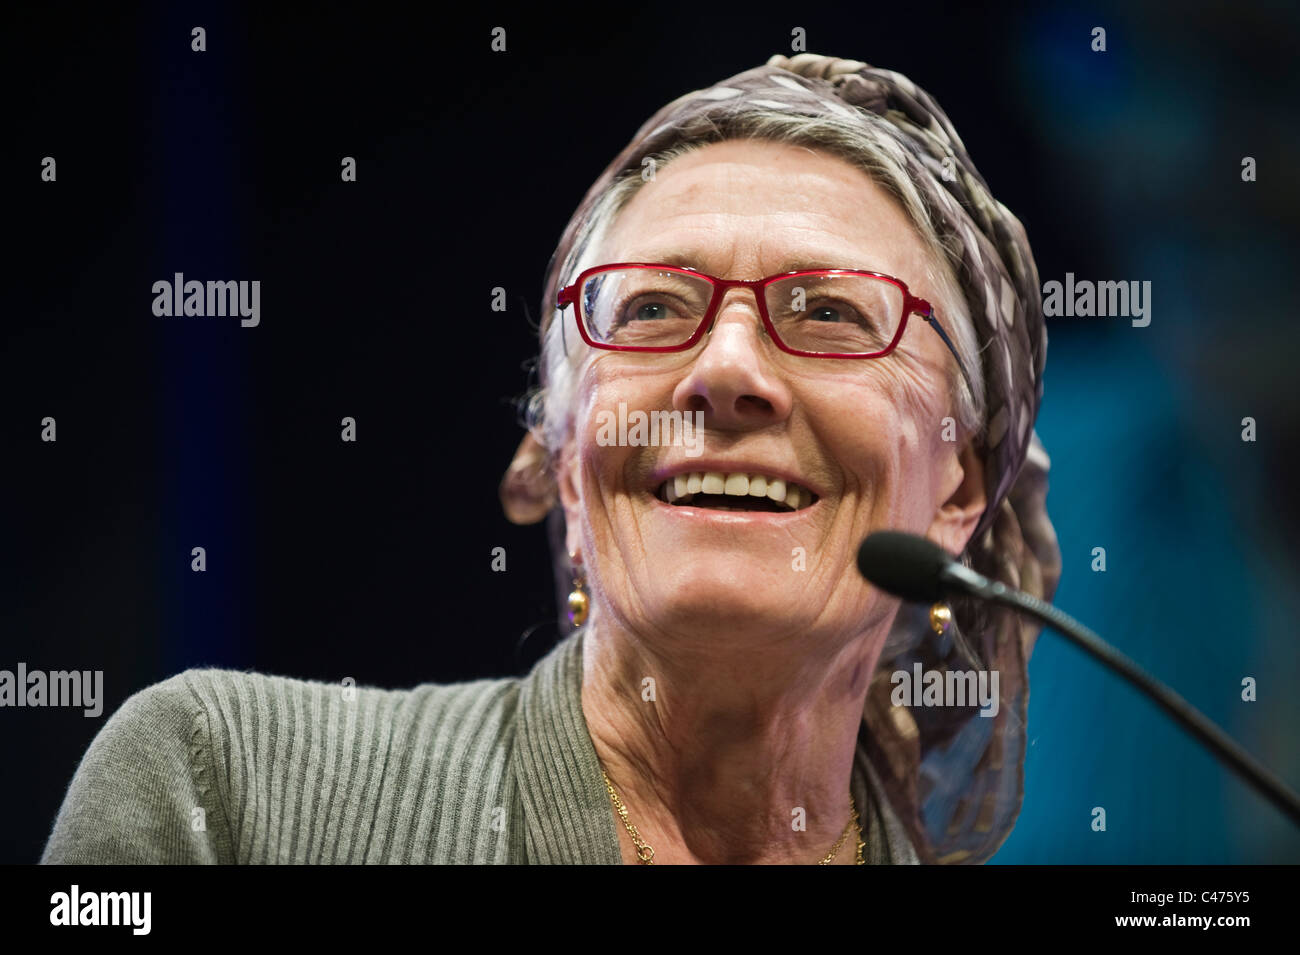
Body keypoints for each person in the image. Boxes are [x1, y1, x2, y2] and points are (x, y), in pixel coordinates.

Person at [42, 53, 1060, 865]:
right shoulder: (223, 789)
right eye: (653, 308)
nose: (725, 368)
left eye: (829, 314)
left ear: (961, 486)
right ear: (566, 455)